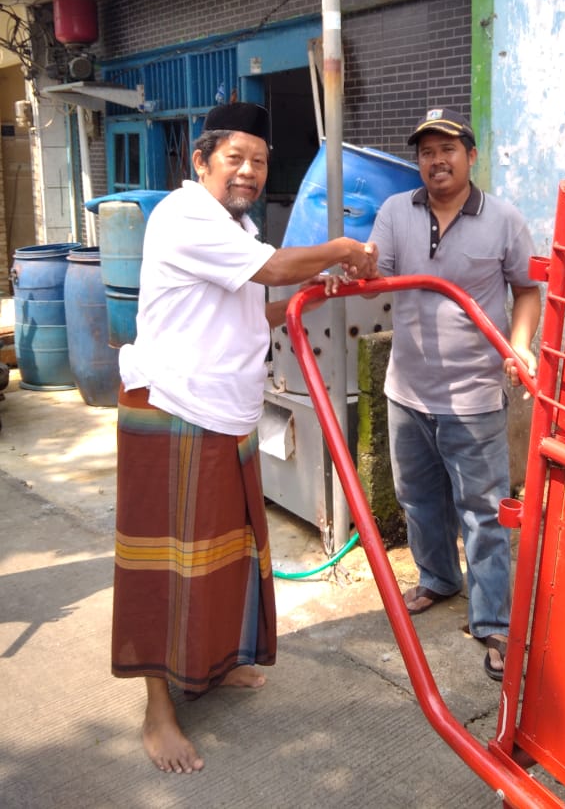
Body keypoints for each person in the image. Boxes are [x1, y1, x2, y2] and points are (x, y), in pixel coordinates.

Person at [111, 102, 378, 774]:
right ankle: (158, 710)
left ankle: (216, 661)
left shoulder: (237, 226)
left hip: (224, 412)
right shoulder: (184, 217)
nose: (249, 172)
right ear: (199, 161)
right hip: (172, 408)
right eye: (235, 159)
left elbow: (249, 300)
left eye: (259, 161)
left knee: (229, 553)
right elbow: (267, 272)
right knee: (164, 565)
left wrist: (319, 282)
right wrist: (342, 250)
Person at [368, 108, 541, 681]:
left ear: (470, 156)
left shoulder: (504, 219)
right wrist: (350, 264)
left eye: (448, 149)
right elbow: (378, 272)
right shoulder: (396, 210)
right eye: (426, 152)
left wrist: (518, 347)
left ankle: (494, 622)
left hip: (473, 396)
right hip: (407, 390)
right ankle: (440, 579)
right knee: (416, 499)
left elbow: (527, 291)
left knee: (485, 514)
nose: (436, 161)